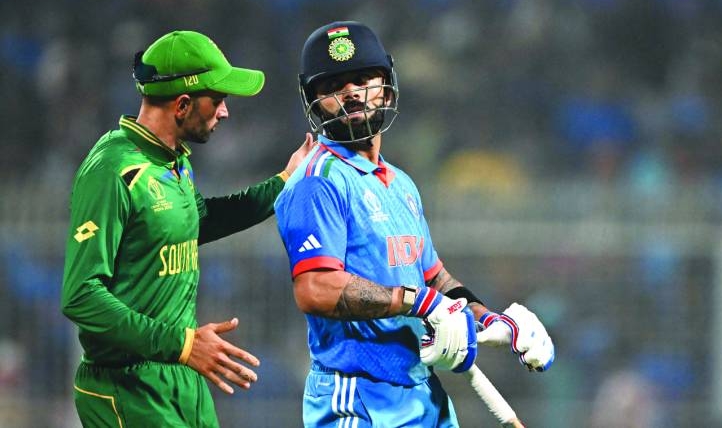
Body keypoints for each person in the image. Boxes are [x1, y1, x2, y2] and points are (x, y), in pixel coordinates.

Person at [274, 21, 555, 427]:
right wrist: (421, 303)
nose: (351, 93)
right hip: (358, 397)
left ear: (386, 88)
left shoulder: (401, 183)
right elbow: (315, 288)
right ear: (314, 101)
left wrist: (488, 319)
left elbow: (432, 275)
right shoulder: (318, 182)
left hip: (421, 392)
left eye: (362, 79)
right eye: (333, 85)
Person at [61, 29, 315, 428]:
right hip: (127, 385)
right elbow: (80, 296)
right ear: (182, 105)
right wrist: (181, 343)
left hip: (181, 373)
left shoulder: (173, 160)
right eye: (217, 100)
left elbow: (198, 221)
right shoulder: (114, 171)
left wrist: (284, 180)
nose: (225, 112)